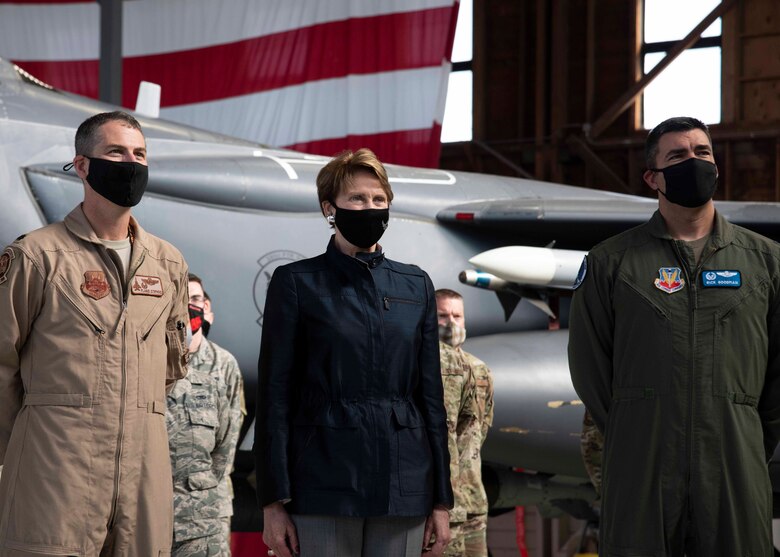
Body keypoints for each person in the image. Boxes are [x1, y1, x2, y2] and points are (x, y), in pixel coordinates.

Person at [568, 116, 780, 556]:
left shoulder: (766, 263)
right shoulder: (611, 263)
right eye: (678, 155)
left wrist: (743, 432)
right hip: (643, 463)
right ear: (652, 177)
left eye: (703, 153)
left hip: (734, 463)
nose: (694, 161)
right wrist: (640, 422)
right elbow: (590, 367)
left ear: (716, 168)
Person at [0, 111, 190, 556]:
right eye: (116, 152)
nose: (131, 163)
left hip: (141, 482)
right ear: (82, 165)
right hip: (54, 476)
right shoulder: (37, 257)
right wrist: (17, 457)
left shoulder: (168, 264)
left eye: (140, 154)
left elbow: (167, 370)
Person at [255, 148, 453, 557]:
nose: (370, 208)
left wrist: (441, 500)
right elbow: (275, 395)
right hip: (323, 481)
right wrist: (272, 502)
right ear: (330, 208)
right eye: (357, 199)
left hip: (404, 483)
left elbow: (432, 399)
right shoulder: (296, 283)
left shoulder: (415, 285)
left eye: (379, 200)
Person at [167, 273, 245, 556]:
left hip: (204, 509)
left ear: (207, 307)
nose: (191, 306)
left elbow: (227, 444)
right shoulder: (156, 361)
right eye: (184, 300)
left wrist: (199, 490)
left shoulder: (224, 365)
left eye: (196, 299)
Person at [436, 289, 494, 557]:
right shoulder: (426, 367)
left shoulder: (480, 369)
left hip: (473, 497)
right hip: (444, 504)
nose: (451, 323)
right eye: (442, 316)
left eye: (457, 315)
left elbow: (480, 428)